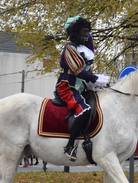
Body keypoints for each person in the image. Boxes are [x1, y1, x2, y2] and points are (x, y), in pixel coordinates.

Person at [55, 16, 109, 161]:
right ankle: (70, 146)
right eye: (84, 32)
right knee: (84, 109)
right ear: (75, 31)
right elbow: (78, 71)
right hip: (68, 86)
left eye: (88, 32)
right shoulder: (69, 48)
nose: (87, 35)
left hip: (80, 86)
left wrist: (96, 82)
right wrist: (95, 78)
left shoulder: (81, 49)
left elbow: (86, 72)